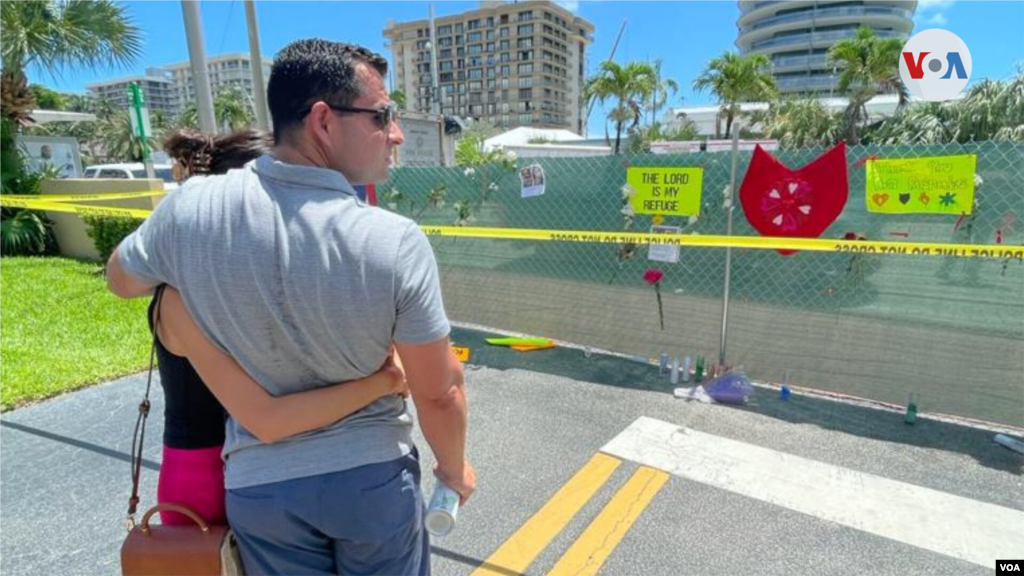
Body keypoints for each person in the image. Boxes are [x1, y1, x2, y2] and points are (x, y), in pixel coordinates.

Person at [107, 39, 473, 576]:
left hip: (261, 489)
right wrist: (454, 469)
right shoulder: (393, 239)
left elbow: (121, 279)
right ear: (324, 121)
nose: (395, 133)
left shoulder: (189, 208)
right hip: (372, 480)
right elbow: (438, 391)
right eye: (384, 115)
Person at [151, 129, 405, 526]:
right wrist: (385, 382)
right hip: (205, 482)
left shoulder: (248, 275)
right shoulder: (180, 297)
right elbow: (267, 420)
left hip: (266, 470)